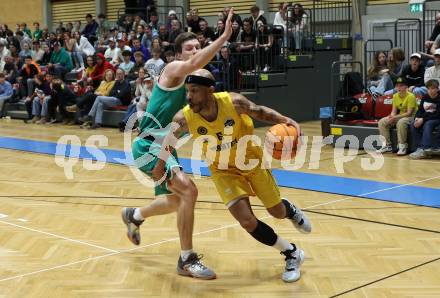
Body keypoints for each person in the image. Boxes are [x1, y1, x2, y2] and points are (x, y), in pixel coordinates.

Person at [159, 69, 311, 282]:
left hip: (250, 160)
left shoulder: (233, 102)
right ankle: (292, 253)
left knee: (277, 212)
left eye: (194, 91)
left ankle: (289, 210)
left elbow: (259, 111)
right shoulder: (184, 117)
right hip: (222, 170)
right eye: (187, 91)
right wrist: (159, 166)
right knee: (247, 222)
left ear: (210, 91)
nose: (189, 96)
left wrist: (285, 119)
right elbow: (168, 141)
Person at [121, 9, 235, 280]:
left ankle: (134, 215)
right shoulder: (172, 69)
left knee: (175, 200)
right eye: (190, 48)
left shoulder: (191, 87)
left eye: (198, 45)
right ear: (179, 53)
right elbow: (195, 63)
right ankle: (186, 259)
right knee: (189, 191)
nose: (196, 50)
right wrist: (224, 37)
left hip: (163, 147)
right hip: (148, 145)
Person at [377, 77, 417, 155]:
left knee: (401, 122)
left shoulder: (411, 96)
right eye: (397, 86)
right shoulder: (395, 96)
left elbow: (409, 113)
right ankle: (386, 146)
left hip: (412, 117)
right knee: (382, 121)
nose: (399, 87)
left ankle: (402, 146)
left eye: (401, 85)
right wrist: (391, 117)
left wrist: (395, 117)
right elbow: (394, 111)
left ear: (406, 87)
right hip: (400, 116)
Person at [409, 79, 440, 159]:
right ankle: (419, 148)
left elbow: (437, 114)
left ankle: (425, 148)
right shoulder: (425, 97)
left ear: (437, 89)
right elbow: (420, 110)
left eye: (433, 88)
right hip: (426, 117)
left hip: (436, 118)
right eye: (428, 89)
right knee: (413, 124)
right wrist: (417, 118)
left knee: (428, 123)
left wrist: (423, 119)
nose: (430, 91)